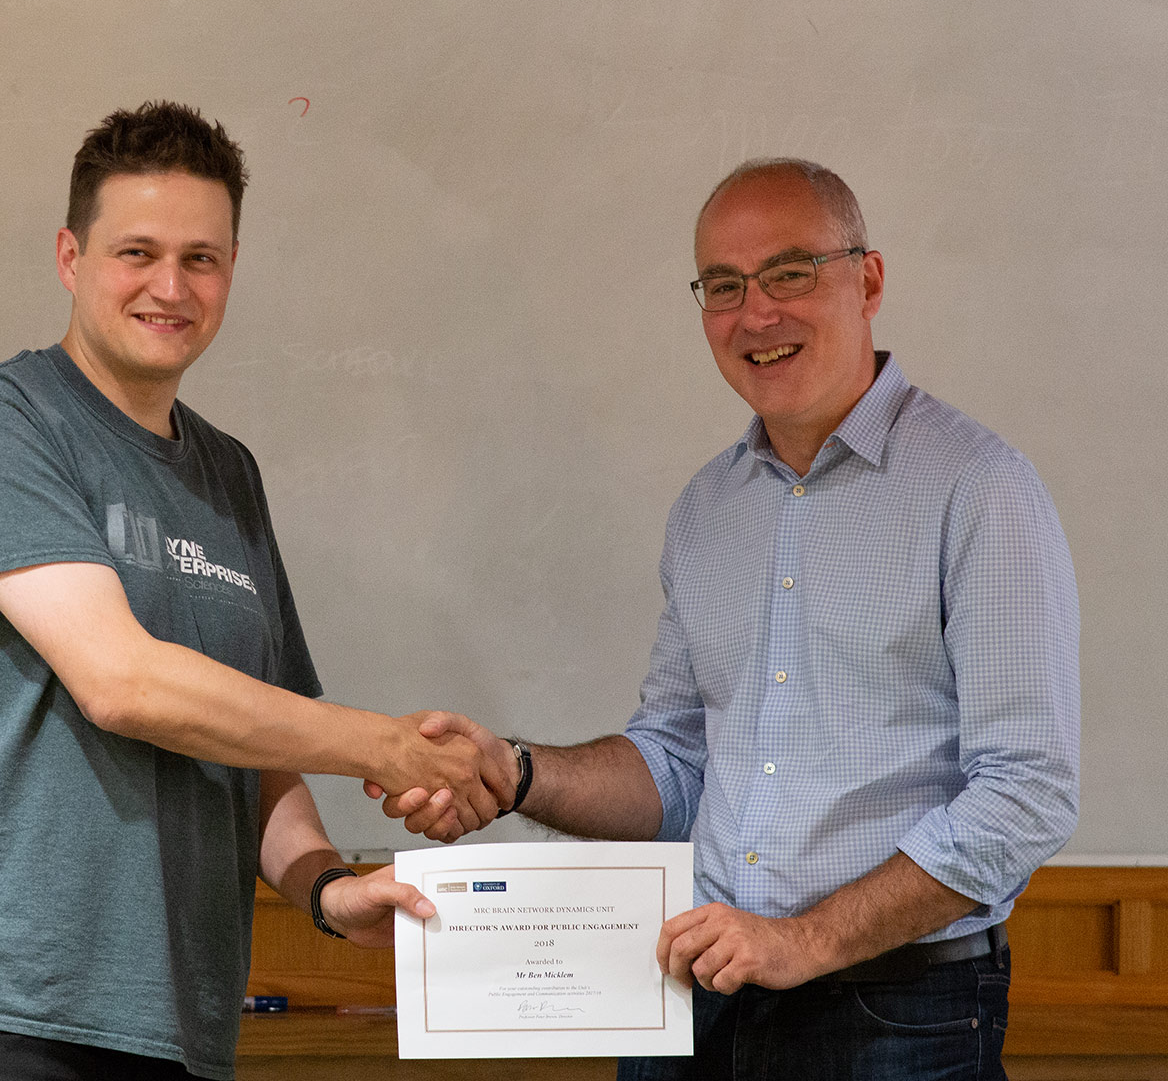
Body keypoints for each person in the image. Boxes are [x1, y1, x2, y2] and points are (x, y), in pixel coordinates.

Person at [377, 158, 1080, 1079]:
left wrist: (804, 941)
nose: (757, 313)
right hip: (692, 998)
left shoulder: (979, 490)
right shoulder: (708, 510)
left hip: (896, 1013)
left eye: (791, 273)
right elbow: (673, 765)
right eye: (723, 285)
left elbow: (1026, 794)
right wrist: (514, 773)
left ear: (867, 280)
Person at [0, 101, 511, 1080]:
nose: (170, 286)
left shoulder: (227, 474)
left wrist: (331, 890)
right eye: (137, 253)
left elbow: (256, 749)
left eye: (201, 258)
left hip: (179, 1028)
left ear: (232, 270)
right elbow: (124, 684)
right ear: (71, 258)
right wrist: (384, 744)